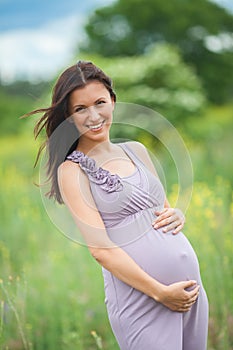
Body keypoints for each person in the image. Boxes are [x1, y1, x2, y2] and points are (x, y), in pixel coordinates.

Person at [29, 61, 208, 349]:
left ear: (113, 101)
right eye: (80, 109)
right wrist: (161, 293)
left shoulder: (137, 150)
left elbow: (161, 212)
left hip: (190, 291)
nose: (94, 116)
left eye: (100, 103)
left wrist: (176, 214)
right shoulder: (72, 172)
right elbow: (101, 251)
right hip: (144, 299)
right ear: (68, 117)